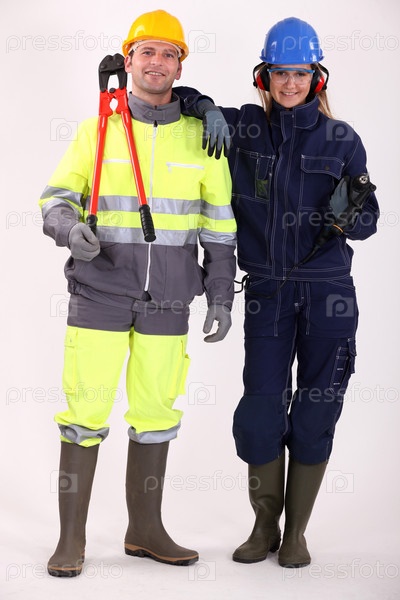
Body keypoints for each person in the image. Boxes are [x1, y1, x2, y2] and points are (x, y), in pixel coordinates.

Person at [39, 9, 236, 577]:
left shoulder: (204, 138)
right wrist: (66, 230)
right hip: (99, 291)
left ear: (180, 67)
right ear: (128, 61)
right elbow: (55, 198)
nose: (157, 62)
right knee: (85, 412)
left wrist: (221, 296)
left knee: (156, 413)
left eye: (169, 53)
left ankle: (145, 530)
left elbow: (220, 228)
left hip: (169, 300)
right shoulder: (96, 129)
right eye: (146, 51)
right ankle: (70, 539)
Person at [176, 16, 379, 568]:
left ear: (317, 78)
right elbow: (182, 98)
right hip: (267, 292)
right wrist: (205, 107)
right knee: (261, 411)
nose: (290, 83)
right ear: (263, 76)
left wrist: (351, 212)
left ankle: (297, 534)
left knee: (316, 410)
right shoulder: (244, 128)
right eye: (280, 73)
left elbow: (370, 223)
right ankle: (264, 526)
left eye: (301, 73)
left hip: (328, 292)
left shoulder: (342, 139)